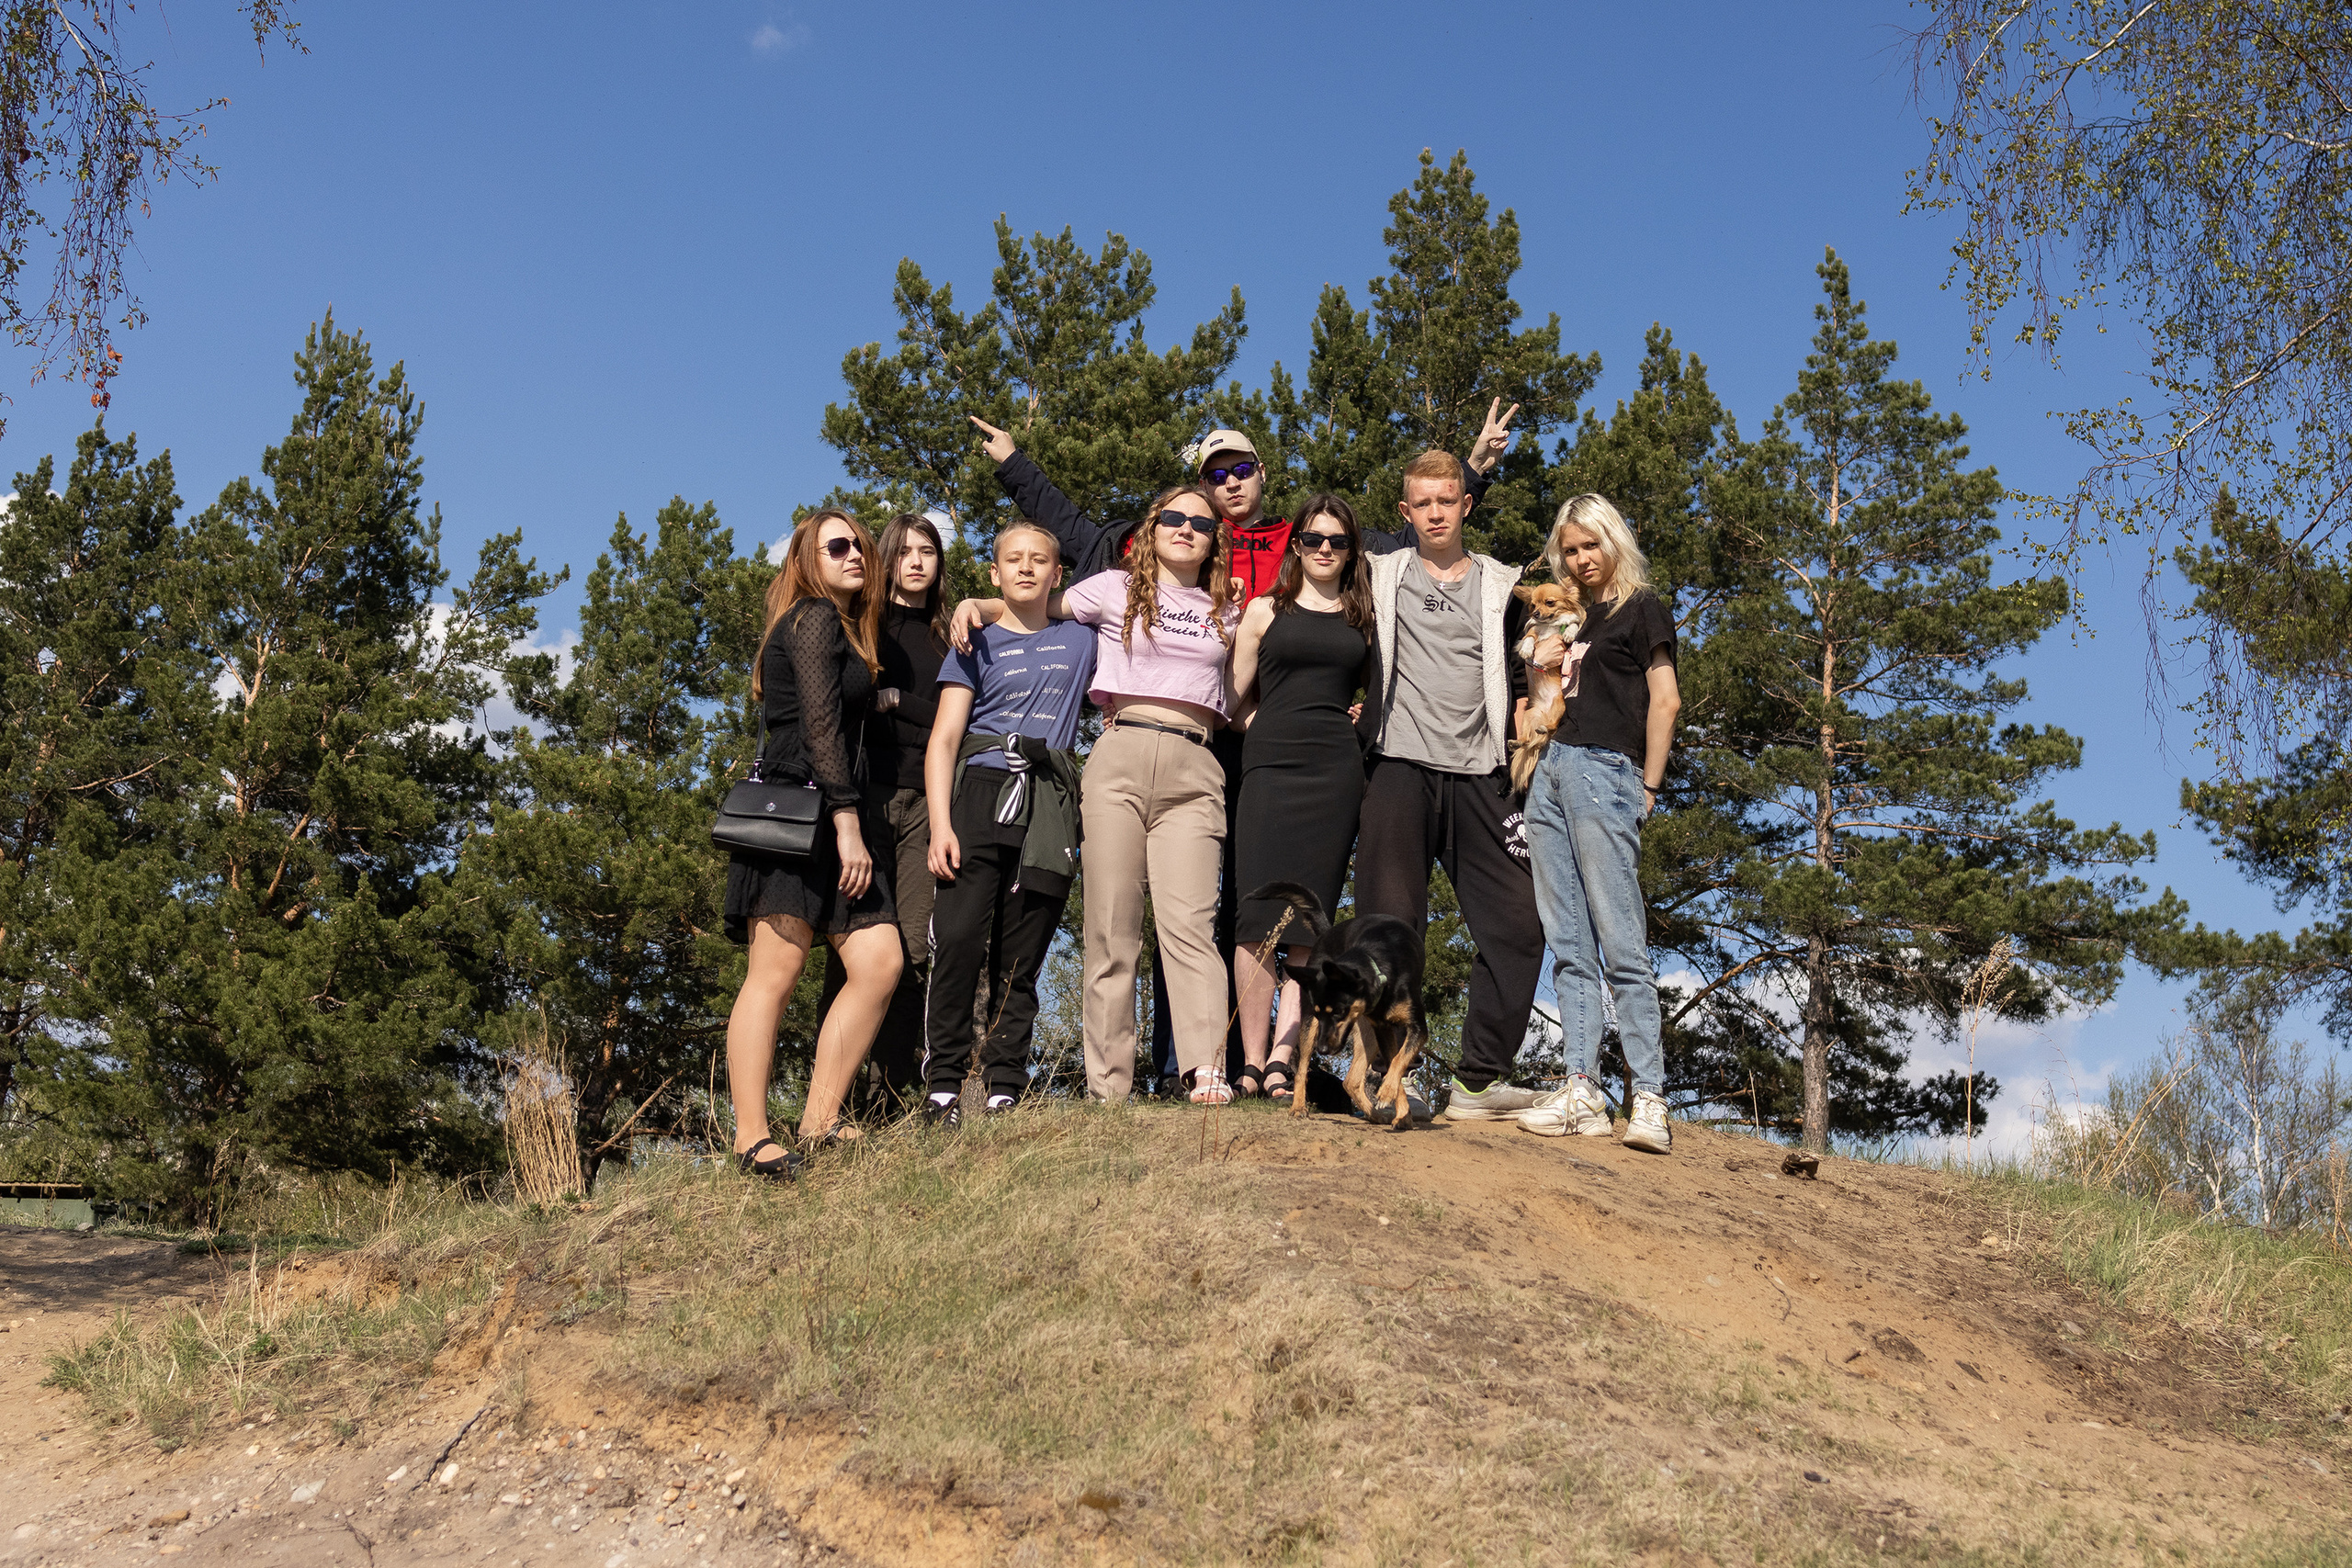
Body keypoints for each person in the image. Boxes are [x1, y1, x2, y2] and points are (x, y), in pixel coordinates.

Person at [963, 403, 1520, 1089]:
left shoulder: (1296, 538)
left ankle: (1240, 1063)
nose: (1228, 484)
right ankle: (1179, 1066)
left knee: (1214, 911)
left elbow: (1416, 533)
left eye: (1241, 469)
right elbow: (1072, 535)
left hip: (1263, 742)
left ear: (1261, 474)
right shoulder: (1166, 550)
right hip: (1208, 733)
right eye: (1215, 475)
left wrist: (1473, 470)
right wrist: (1014, 468)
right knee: (1193, 910)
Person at [951, 485, 1239, 1102]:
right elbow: (1034, 601)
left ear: (1215, 540)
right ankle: (1109, 1086)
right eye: (1172, 517)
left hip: (1196, 760)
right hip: (1120, 755)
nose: (1185, 529)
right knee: (1112, 926)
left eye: (1200, 523)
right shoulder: (1110, 589)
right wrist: (977, 603)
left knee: (1190, 923)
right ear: (1151, 527)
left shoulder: (1230, 605)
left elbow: (1243, 694)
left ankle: (1205, 1069)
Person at [1352, 450, 1546, 1123]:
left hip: (1482, 774)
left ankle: (1478, 1083)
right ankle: (1388, 1079)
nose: (1436, 513)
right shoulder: (1380, 571)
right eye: (1422, 503)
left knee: (1522, 922)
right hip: (1397, 768)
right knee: (1389, 930)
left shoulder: (1504, 585)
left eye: (1447, 501)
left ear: (1467, 505)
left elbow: (1526, 674)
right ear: (1404, 513)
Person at [722, 511, 903, 1177]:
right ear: (807, 561)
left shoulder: (839, 629)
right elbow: (820, 726)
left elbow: (830, 706)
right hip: (803, 814)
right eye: (837, 546)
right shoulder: (815, 616)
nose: (855, 553)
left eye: (860, 544)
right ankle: (750, 1136)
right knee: (775, 973)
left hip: (830, 809)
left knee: (879, 960)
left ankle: (820, 1119)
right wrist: (847, 823)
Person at [1514, 495, 1682, 1154]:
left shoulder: (1642, 608)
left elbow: (1666, 700)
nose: (1582, 558)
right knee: (1568, 942)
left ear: (1614, 540)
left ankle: (1651, 1098)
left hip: (1606, 771)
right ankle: (1582, 1090)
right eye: (1571, 549)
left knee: (1621, 941)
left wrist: (1649, 786)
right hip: (1549, 768)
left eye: (1591, 545)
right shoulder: (1573, 616)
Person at [919, 524, 1095, 1124]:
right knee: (959, 940)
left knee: (1021, 953)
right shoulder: (974, 641)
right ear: (995, 573)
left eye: (1039, 560)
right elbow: (944, 740)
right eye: (1013, 560)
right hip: (978, 793)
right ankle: (943, 1085)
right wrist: (940, 825)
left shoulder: (1082, 638)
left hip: (1048, 800)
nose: (1025, 568)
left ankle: (1004, 1085)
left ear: (1057, 574)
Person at [1227, 493, 1375, 1100]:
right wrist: (1263, 723)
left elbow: (1382, 696)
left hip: (1334, 776)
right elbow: (1229, 700)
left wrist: (1357, 722)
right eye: (1313, 538)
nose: (1324, 549)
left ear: (1352, 551)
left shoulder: (1365, 619)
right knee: (1256, 919)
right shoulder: (1264, 610)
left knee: (1308, 924)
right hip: (1269, 770)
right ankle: (1250, 1060)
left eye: (1337, 540)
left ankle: (1285, 1059)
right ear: (1297, 545)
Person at [823, 512, 952, 1111]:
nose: (917, 562)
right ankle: (834, 1101)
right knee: (855, 948)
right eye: (905, 551)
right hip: (865, 800)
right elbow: (842, 709)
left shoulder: (952, 636)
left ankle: (890, 1098)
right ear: (888, 560)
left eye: (928, 551)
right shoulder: (861, 626)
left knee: (913, 950)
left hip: (928, 802)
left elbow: (961, 721)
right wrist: (923, 715)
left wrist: (899, 702)